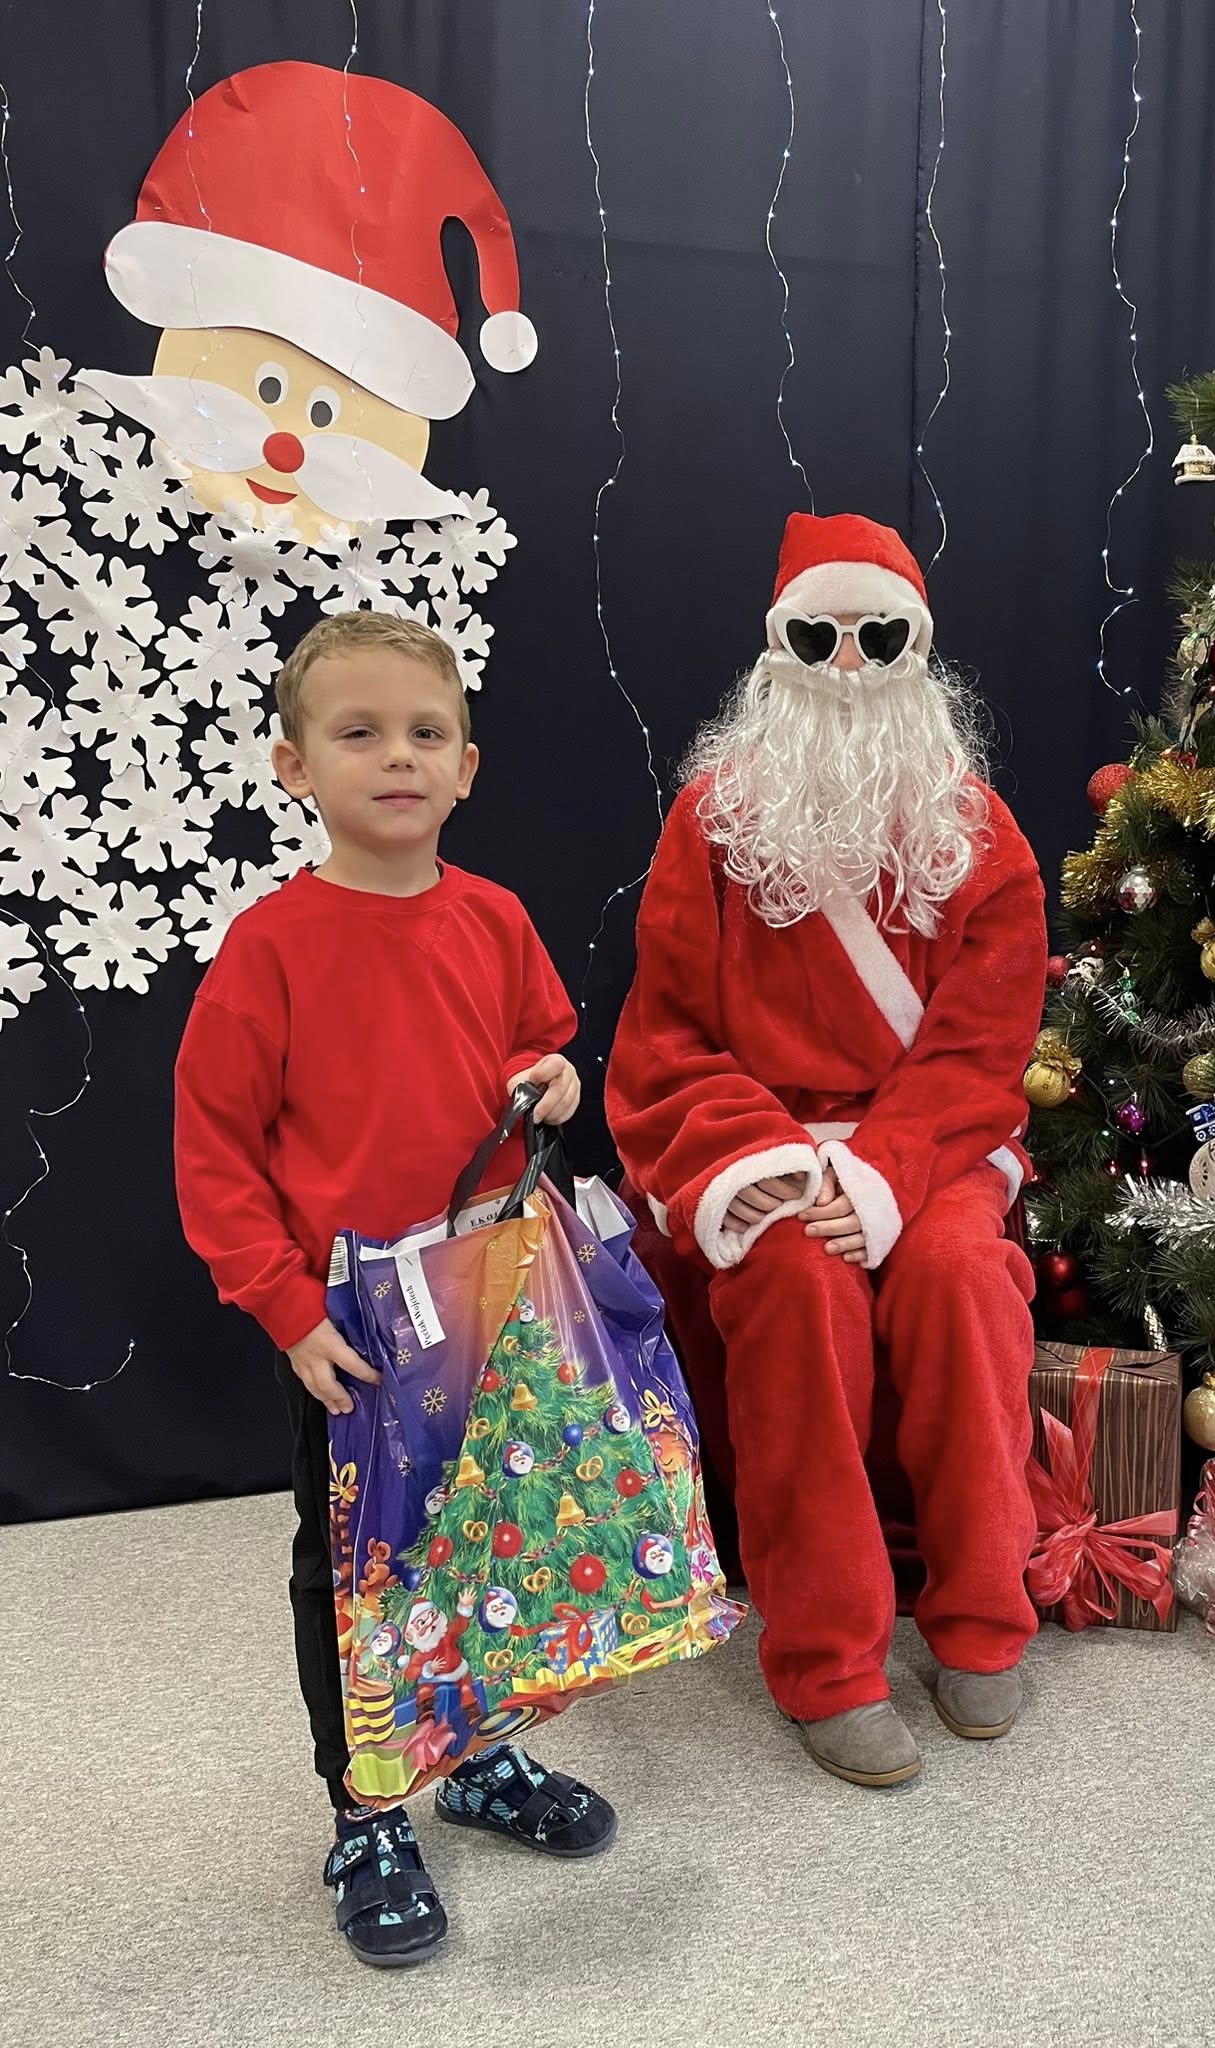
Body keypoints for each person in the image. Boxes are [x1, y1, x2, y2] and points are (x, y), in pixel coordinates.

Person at [174, 611, 609, 1968]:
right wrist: (286, 1308)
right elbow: (213, 1153)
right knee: (358, 1568)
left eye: (426, 734)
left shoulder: (494, 918)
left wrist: (558, 1080)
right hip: (353, 1327)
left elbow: (540, 1047)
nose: (398, 757)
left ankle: (476, 1756)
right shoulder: (270, 949)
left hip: (492, 1294)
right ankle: (366, 1810)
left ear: (466, 767)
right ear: (294, 766)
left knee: (494, 1539)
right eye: (359, 733)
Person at [606, 512, 1046, 1787]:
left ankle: (982, 1614)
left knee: (962, 1280)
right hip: (764, 1146)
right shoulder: (712, 823)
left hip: (932, 1148)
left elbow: (982, 1044)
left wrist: (883, 1172)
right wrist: (780, 1168)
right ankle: (828, 1658)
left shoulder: (979, 833)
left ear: (919, 650)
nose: (848, 663)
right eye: (818, 636)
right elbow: (668, 1035)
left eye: (877, 637)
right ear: (777, 651)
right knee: (793, 1286)